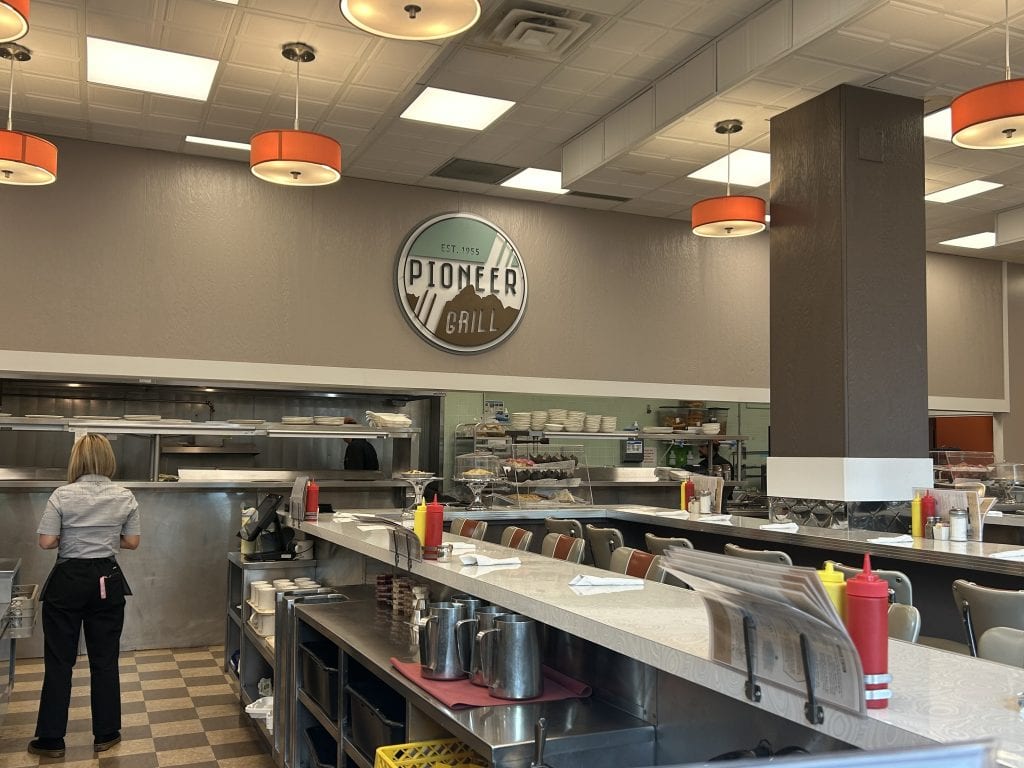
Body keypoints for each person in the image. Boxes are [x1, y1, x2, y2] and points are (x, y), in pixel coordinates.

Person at [29, 434, 141, 758]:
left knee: (59, 661)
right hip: (108, 579)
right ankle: (106, 733)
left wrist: (76, 535)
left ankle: (51, 740)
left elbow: (47, 542)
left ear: (76, 460)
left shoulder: (61, 495)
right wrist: (103, 536)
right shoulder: (125, 496)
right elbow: (132, 542)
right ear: (108, 460)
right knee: (105, 660)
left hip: (67, 580)